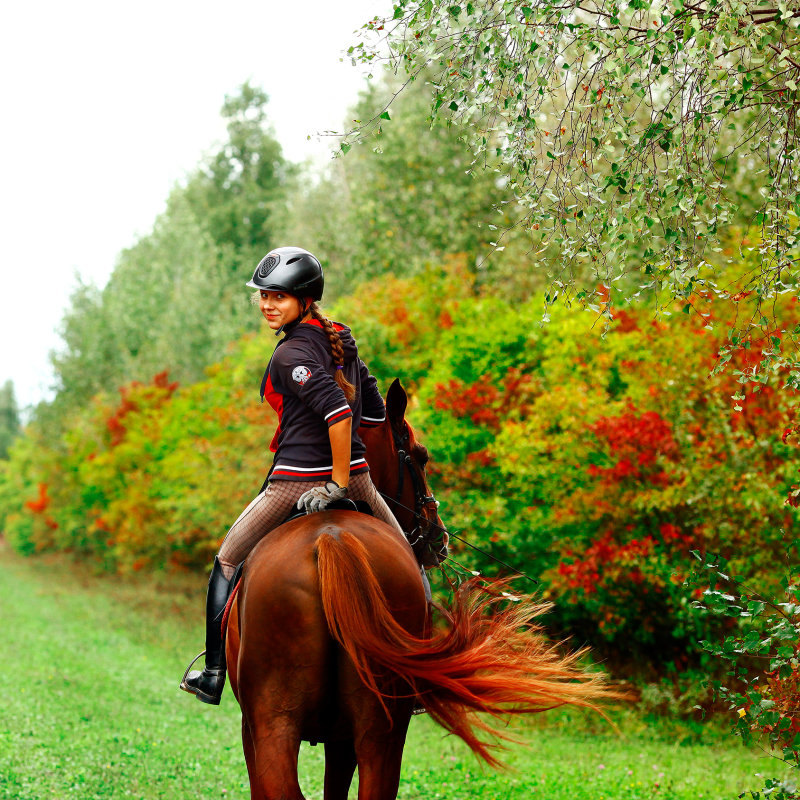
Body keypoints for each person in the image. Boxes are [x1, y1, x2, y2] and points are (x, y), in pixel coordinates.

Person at [180, 245, 425, 706]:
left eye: (279, 297)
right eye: (264, 296)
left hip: (296, 482)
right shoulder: (342, 340)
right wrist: (352, 476)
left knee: (227, 562)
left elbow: (337, 412)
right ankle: (417, 676)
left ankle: (213, 673)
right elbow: (372, 416)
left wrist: (333, 485)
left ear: (305, 300)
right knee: (408, 562)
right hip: (360, 481)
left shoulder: (290, 354)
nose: (268, 304)